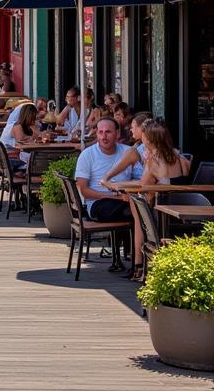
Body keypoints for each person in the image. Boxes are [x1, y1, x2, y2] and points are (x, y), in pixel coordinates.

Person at [121, 119, 190, 281]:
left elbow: (144, 186)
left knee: (137, 207)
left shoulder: (153, 161)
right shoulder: (178, 156)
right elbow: (184, 173)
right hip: (180, 210)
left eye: (144, 136)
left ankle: (139, 265)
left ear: (149, 140)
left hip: (160, 214)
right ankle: (139, 265)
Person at [74, 117, 135, 224]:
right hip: (98, 203)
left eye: (108, 132)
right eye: (100, 132)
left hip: (127, 199)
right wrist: (113, 197)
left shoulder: (128, 152)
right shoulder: (87, 155)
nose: (104, 137)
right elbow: (83, 190)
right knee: (128, 210)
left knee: (138, 208)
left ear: (117, 133)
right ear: (96, 133)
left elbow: (140, 177)